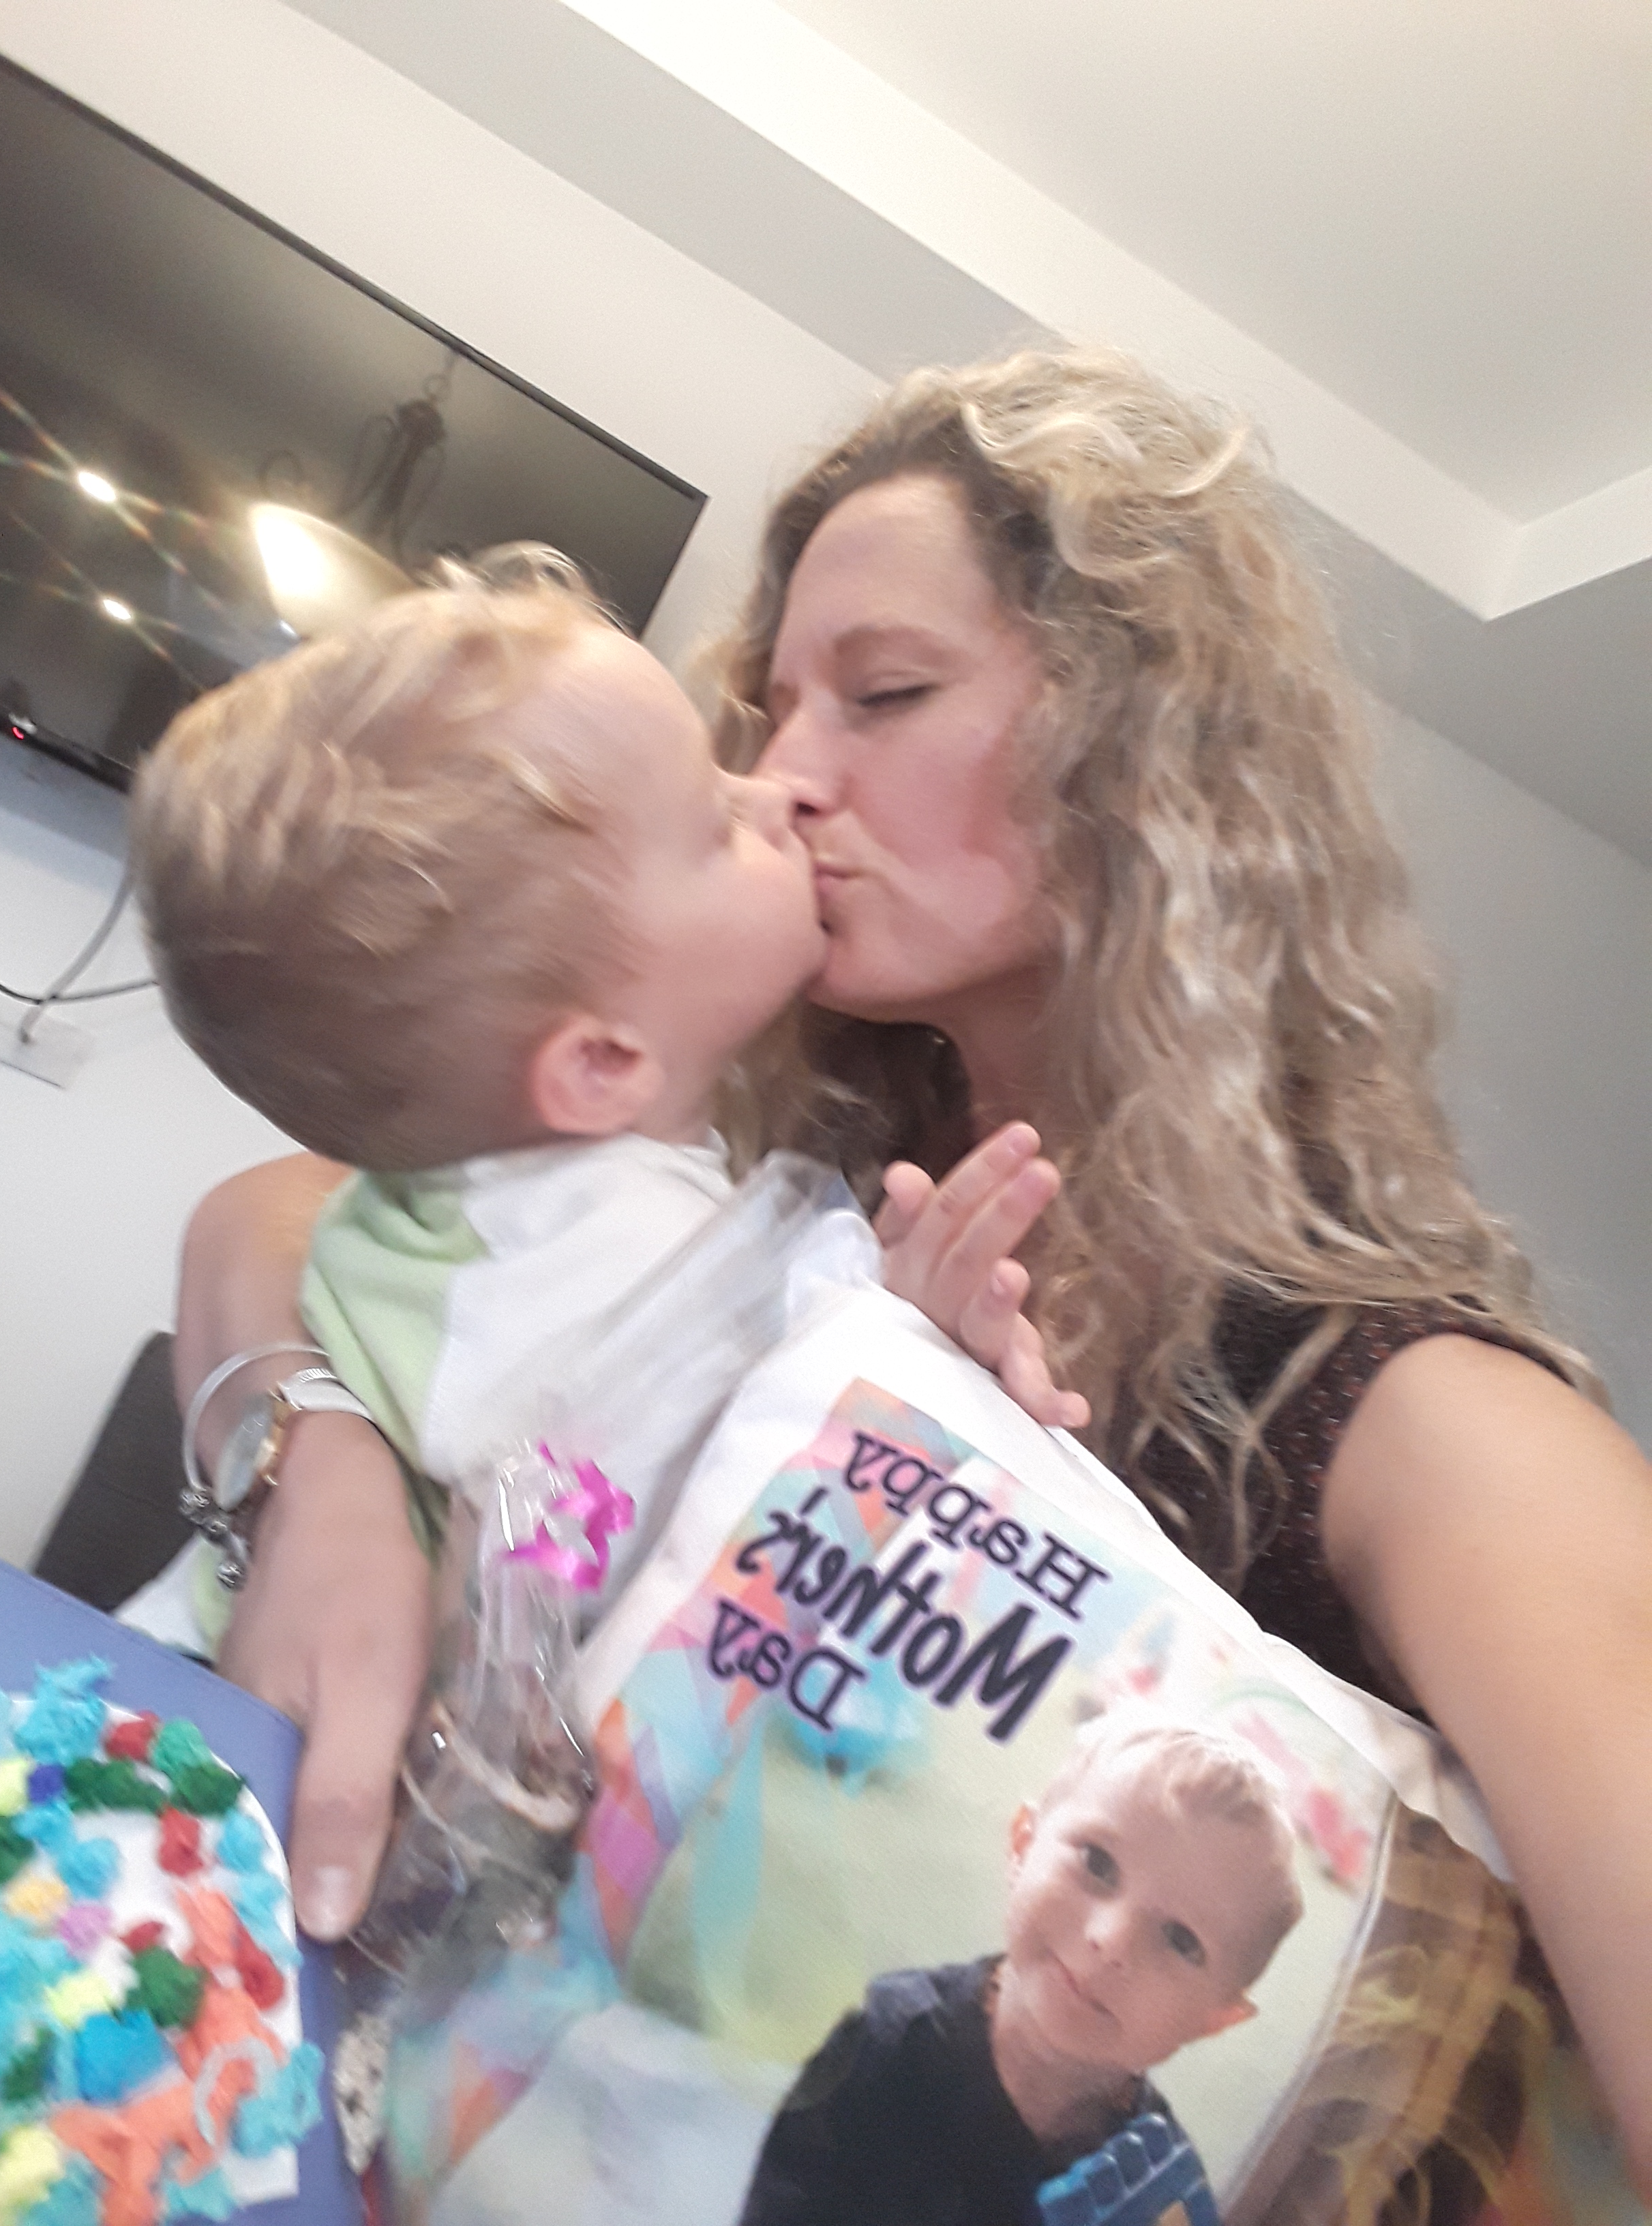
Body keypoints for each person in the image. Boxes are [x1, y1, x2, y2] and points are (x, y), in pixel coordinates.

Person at [170, 349, 1652, 2195]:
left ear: (1139, 759)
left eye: (882, 694)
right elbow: (289, 1206)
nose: (783, 776)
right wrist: (311, 1460)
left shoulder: (1406, 1416)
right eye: (771, 703)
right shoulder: (807, 1155)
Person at [126, 552, 839, 1645]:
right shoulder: (630, 1256)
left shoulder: (462, 1196)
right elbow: (767, 1500)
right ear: (600, 1065)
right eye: (718, 824)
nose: (777, 791)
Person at [738, 1712, 1301, 2226]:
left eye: (1180, 1940)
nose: (1110, 1940)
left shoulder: (1153, 2176)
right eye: (1098, 1863)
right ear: (1023, 1845)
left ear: (1214, 2020)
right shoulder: (885, 2046)